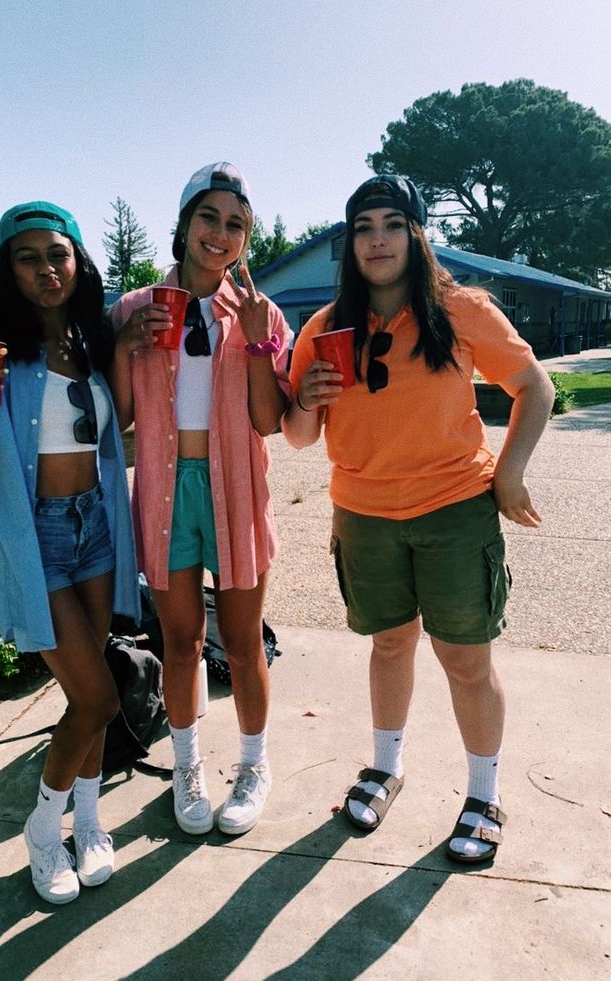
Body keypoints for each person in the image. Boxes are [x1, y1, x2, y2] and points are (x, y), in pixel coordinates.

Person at [283, 175, 555, 864]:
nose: (378, 238)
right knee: (390, 644)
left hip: (454, 511)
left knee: (466, 660)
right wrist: (306, 399)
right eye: (364, 226)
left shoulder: (458, 310)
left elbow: (535, 386)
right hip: (365, 516)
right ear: (349, 243)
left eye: (393, 223)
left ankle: (484, 794)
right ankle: (385, 766)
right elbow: (298, 437)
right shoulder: (323, 328)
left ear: (416, 234)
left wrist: (511, 471)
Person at [0, 201, 139, 903]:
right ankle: (45, 831)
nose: (47, 269)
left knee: (95, 693)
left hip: (97, 529)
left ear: (78, 263)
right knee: (97, 696)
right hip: (36, 532)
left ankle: (92, 822)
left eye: (59, 254)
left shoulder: (90, 340)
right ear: (7, 269)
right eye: (29, 257)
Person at [110, 163, 291, 836]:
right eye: (208, 218)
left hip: (237, 491)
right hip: (164, 493)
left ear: (246, 238)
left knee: (243, 644)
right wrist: (125, 345)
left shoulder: (260, 312)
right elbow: (121, 420)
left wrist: (256, 341)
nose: (220, 234)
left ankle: (253, 764)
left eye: (235, 224)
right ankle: (187, 766)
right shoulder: (136, 307)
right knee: (180, 641)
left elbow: (271, 420)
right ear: (184, 224)